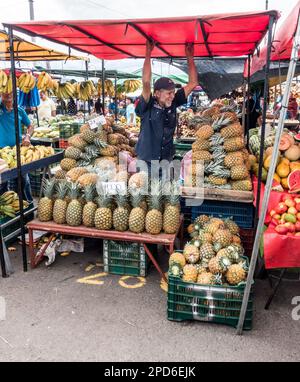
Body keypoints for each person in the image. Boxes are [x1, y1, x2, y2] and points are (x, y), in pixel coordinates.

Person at [135, 41, 198, 177]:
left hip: (166, 159)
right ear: (157, 93)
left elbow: (193, 83)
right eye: (168, 93)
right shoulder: (147, 104)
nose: (172, 96)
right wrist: (148, 53)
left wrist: (189, 56)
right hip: (147, 161)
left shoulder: (173, 101)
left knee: (164, 196)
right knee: (146, 195)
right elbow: (146, 82)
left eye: (173, 92)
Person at [0, 92, 33, 202]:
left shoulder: (19, 110)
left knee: (24, 179)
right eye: (5, 93)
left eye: (10, 93)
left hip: (17, 150)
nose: (8, 95)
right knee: (2, 181)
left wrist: (27, 136)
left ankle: (28, 205)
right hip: (2, 152)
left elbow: (30, 125)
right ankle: (4, 209)